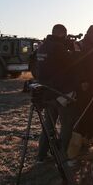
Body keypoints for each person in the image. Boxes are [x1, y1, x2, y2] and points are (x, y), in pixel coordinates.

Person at [35, 24, 77, 161]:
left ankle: (41, 155)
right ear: (61, 34)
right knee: (66, 124)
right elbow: (71, 62)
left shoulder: (42, 46)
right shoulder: (58, 47)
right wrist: (73, 48)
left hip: (46, 91)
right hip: (60, 92)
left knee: (48, 125)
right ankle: (62, 154)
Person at [72, 23, 93, 141]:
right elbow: (76, 65)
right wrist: (82, 81)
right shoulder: (81, 46)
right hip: (85, 87)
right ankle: (81, 139)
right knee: (84, 114)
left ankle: (90, 135)